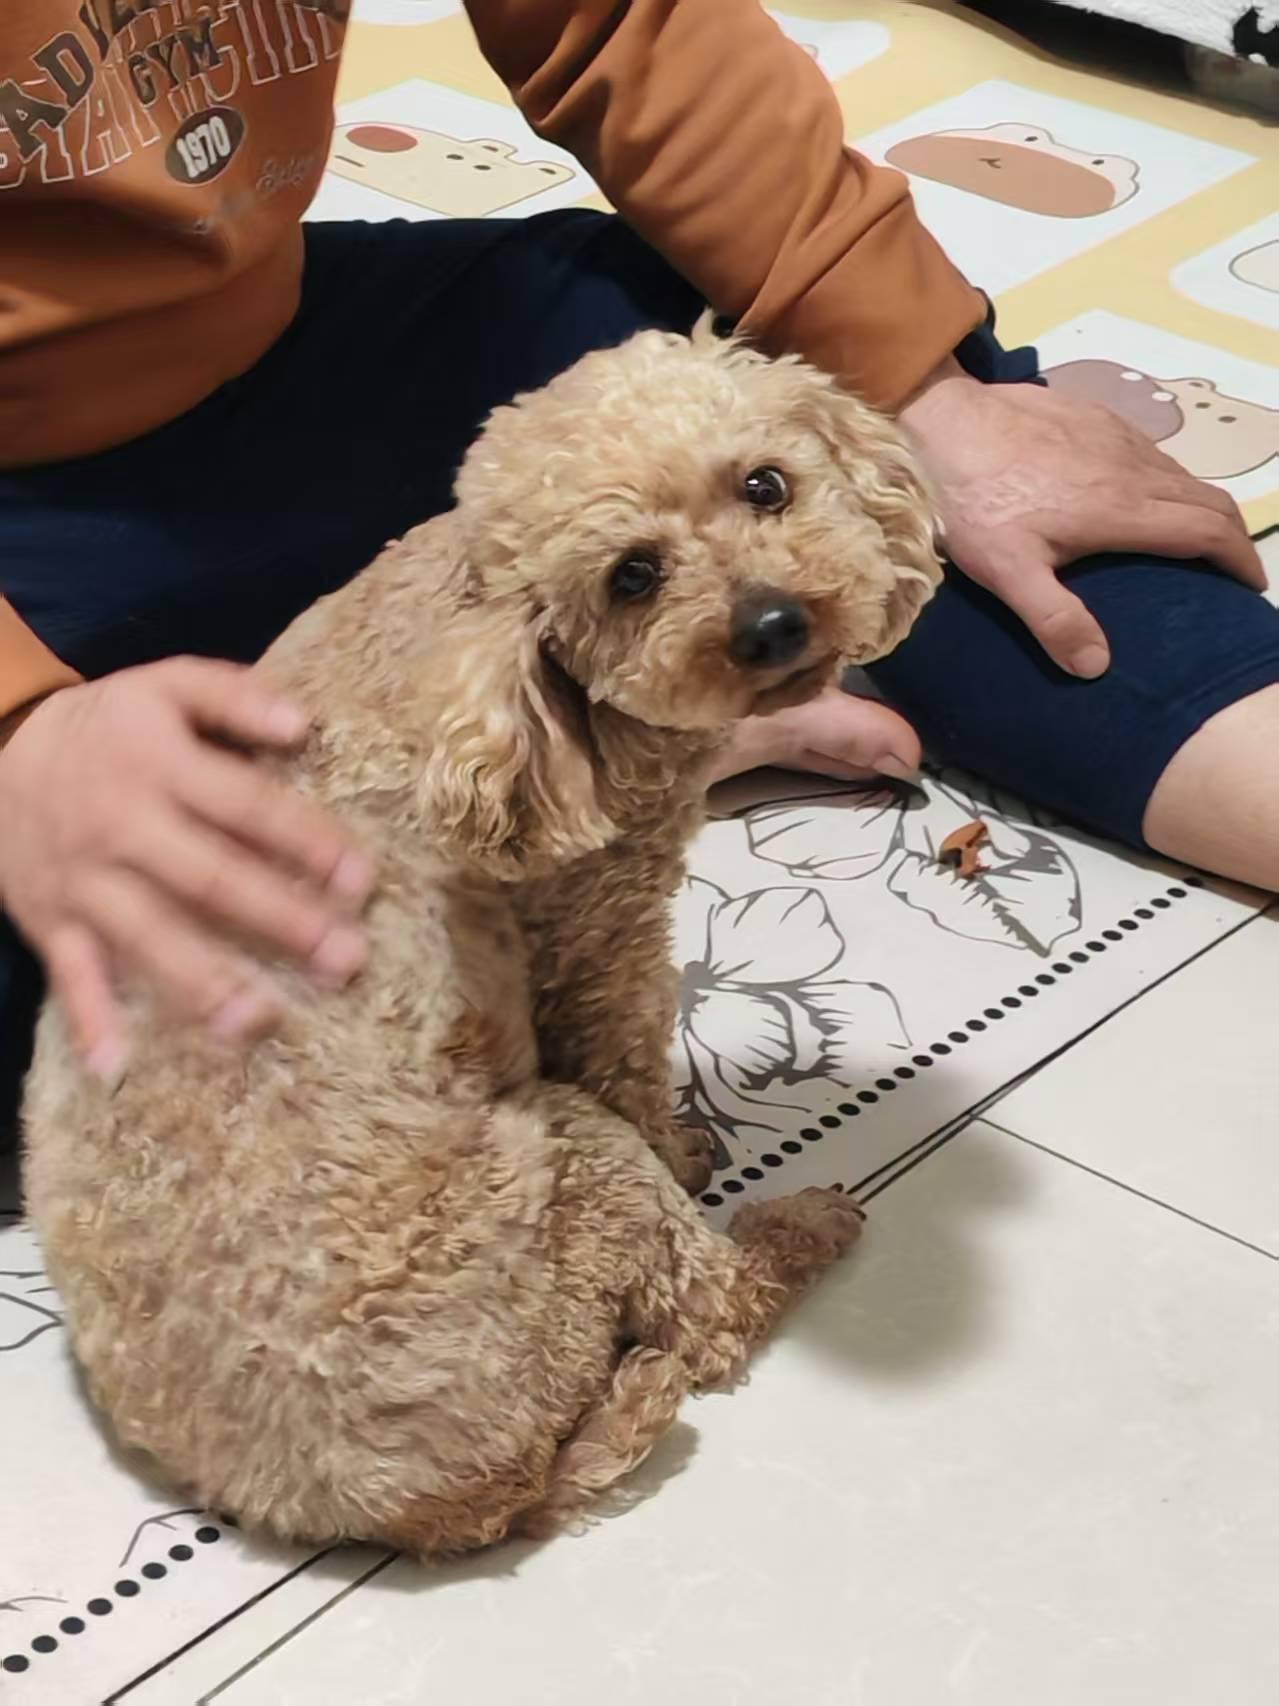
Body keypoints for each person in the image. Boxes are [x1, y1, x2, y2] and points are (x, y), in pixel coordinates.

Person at [0, 0, 1274, 1137]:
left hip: (269, 345)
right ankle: (608, 749)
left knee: (735, 355)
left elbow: (622, 22)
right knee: (111, 1004)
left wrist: (927, 391)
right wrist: (24, 730)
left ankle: (617, 727)